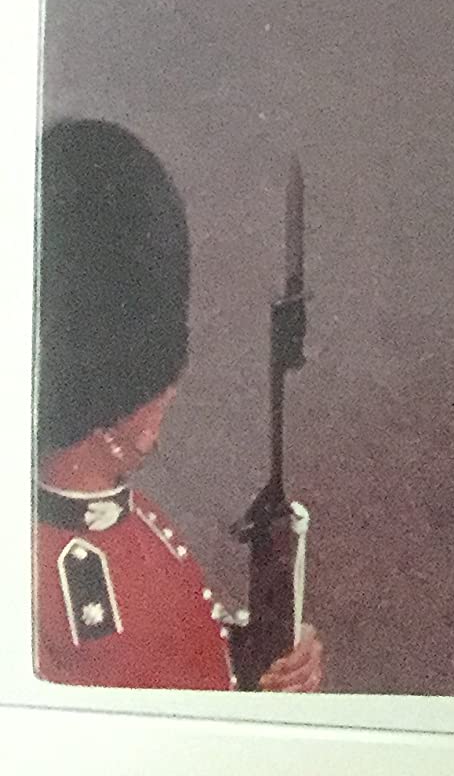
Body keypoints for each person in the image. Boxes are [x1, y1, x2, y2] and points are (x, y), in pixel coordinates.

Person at [35, 118, 325, 692]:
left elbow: (187, 647)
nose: (169, 394)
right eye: (158, 388)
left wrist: (263, 659)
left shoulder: (129, 512)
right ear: (108, 405)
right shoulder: (62, 579)